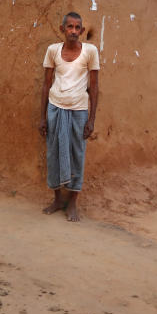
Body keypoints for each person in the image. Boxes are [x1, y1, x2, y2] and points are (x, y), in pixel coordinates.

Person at [38, 12, 99, 222]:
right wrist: (43, 117)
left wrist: (91, 119)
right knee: (53, 154)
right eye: (70, 27)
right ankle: (57, 200)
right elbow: (46, 84)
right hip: (55, 108)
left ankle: (72, 203)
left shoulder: (90, 52)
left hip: (79, 111)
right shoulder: (52, 50)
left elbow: (94, 86)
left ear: (82, 31)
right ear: (62, 29)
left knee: (77, 155)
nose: (73, 31)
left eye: (77, 28)